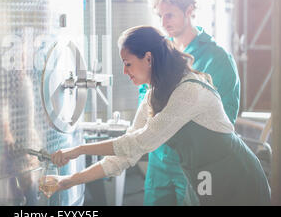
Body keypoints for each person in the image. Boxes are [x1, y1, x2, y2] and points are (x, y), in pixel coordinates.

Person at [43, 26, 270, 206]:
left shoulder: (188, 91)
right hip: (202, 179)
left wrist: (80, 149)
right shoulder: (154, 93)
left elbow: (138, 142)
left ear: (149, 59)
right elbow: (125, 155)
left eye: (128, 63)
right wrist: (68, 181)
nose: (124, 71)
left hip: (236, 178)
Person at [139, 0, 241, 205]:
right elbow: (144, 96)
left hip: (198, 163)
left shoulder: (218, 59)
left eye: (170, 15)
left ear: (189, 11)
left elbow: (226, 115)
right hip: (160, 160)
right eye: (160, 17)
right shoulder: (159, 54)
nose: (164, 23)